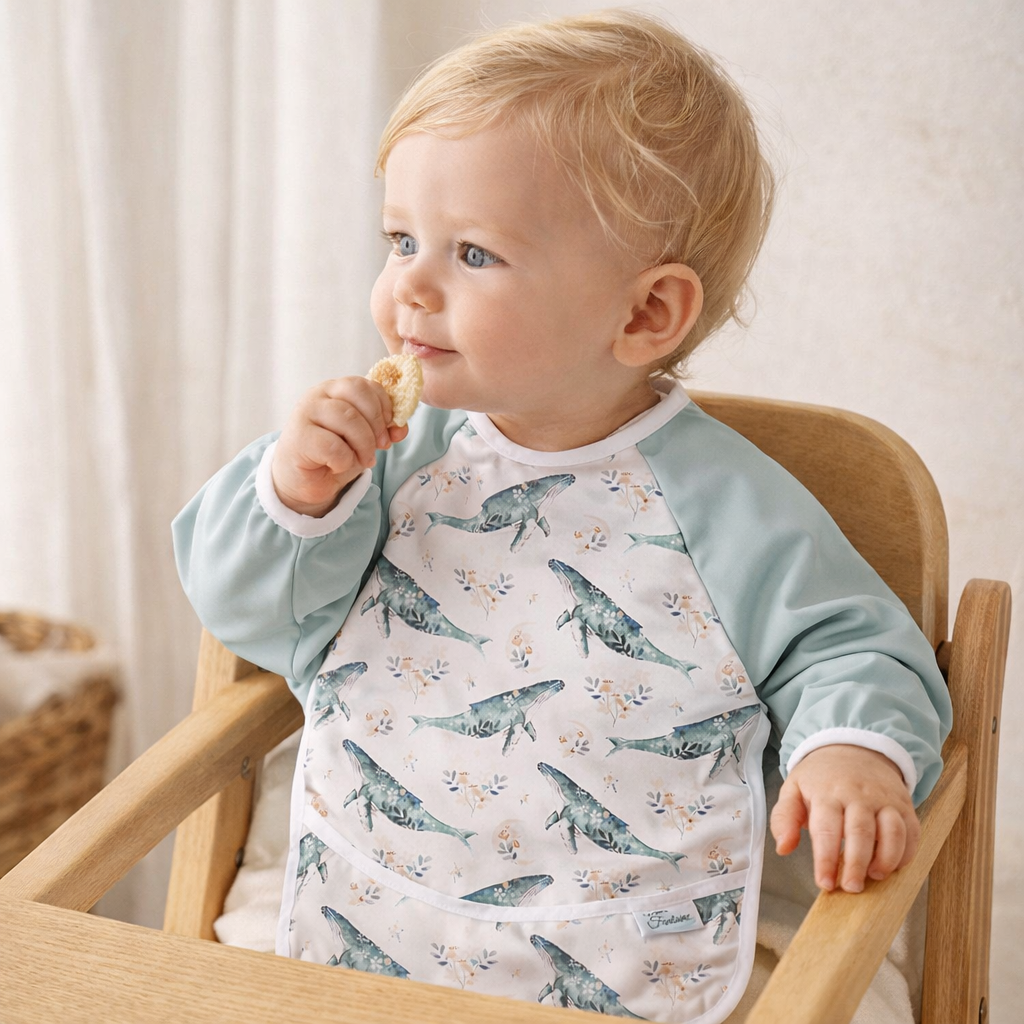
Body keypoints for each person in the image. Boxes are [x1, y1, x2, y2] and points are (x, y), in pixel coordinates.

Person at [173, 10, 951, 1021]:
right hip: (374, 903)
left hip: (628, 942)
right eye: (401, 239)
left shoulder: (727, 504)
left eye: (473, 253)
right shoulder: (389, 459)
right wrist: (297, 493)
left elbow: (848, 645)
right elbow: (248, 614)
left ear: (644, 314)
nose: (409, 285)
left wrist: (851, 748)